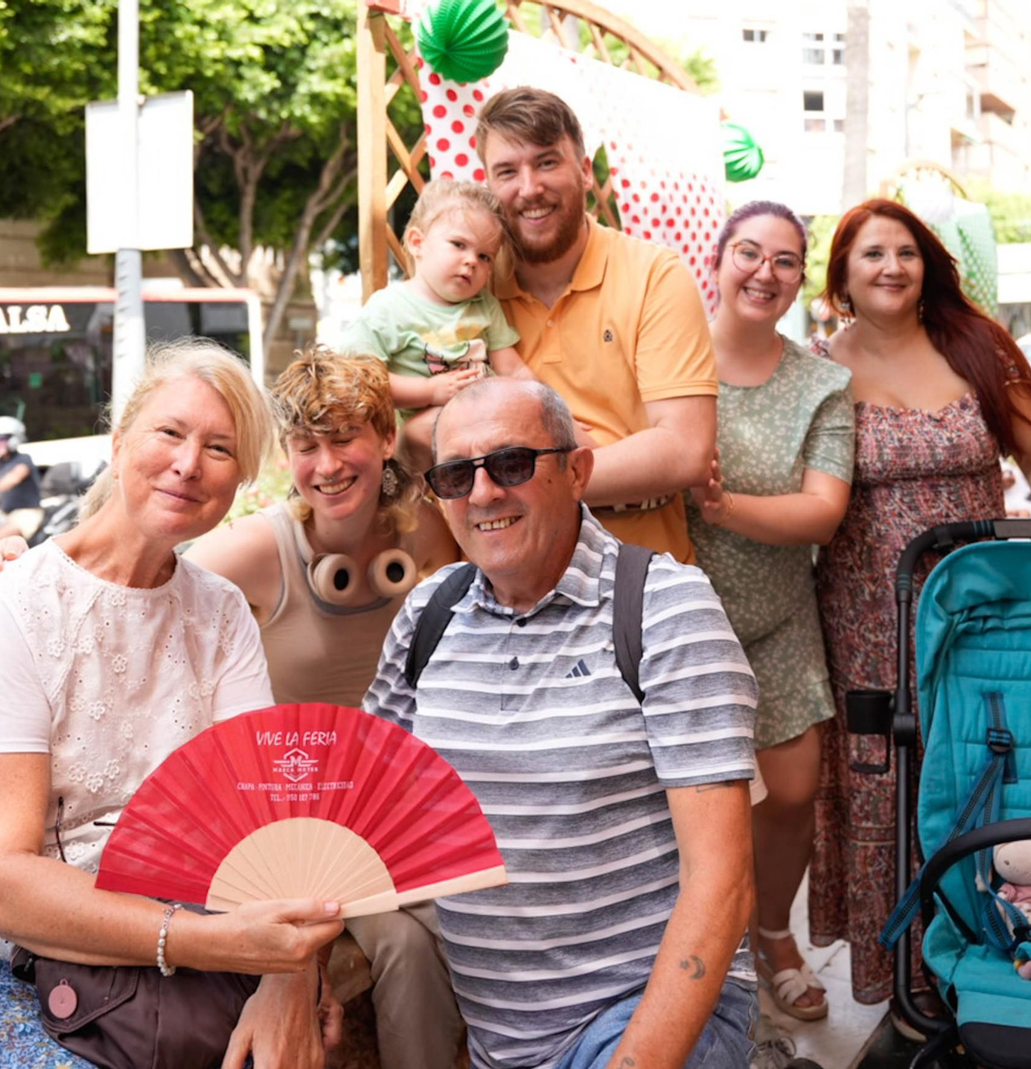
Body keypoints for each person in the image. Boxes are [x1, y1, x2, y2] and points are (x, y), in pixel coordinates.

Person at [0, 341, 345, 1068]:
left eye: (219, 447)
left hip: (100, 953)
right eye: (170, 433)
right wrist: (216, 941)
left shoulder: (222, 614)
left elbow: (267, 817)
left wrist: (289, 976)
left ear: (239, 481)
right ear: (118, 444)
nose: (188, 463)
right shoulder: (16, 605)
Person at [0, 349, 466, 1069]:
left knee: (482, 914)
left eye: (219, 447)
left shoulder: (431, 533)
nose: (327, 465)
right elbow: (121, 579)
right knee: (407, 947)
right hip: (296, 824)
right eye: (305, 446)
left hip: (386, 807)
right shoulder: (244, 558)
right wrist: (3, 563)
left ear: (387, 439)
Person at [366, 376, 759, 1069]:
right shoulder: (428, 616)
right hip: (502, 1043)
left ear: (577, 471)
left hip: (651, 1017)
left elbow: (722, 884)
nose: (483, 492)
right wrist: (285, 981)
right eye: (457, 474)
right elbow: (354, 812)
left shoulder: (663, 609)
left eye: (512, 463)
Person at [808, 199, 1031, 1014]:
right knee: (885, 787)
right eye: (871, 255)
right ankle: (906, 981)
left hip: (979, 607)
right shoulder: (819, 368)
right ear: (843, 278)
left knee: (985, 763)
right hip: (866, 619)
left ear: (927, 264)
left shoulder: (976, 346)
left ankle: (1001, 946)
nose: (891, 266)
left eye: (906, 251)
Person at [684, 201, 853, 1023]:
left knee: (791, 789)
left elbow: (822, 512)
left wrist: (722, 505)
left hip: (778, 615)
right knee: (680, 802)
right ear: (715, 261)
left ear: (799, 281)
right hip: (675, 622)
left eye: (785, 261)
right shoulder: (669, 358)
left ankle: (771, 930)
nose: (765, 272)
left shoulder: (822, 382)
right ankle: (690, 947)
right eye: (748, 253)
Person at [475, 87, 718, 561]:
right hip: (501, 590)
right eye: (507, 171)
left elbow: (686, 449)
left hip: (642, 582)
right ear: (488, 184)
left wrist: (515, 483)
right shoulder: (470, 288)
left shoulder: (654, 276)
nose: (528, 188)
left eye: (547, 162)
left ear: (585, 171)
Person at [338, 179, 532, 472]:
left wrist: (543, 402)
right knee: (432, 425)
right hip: (420, 433)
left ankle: (586, 464)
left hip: (483, 418)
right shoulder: (390, 308)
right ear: (418, 243)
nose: (471, 262)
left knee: (537, 421)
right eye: (458, 245)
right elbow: (360, 380)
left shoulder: (483, 305)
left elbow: (512, 368)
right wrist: (428, 391)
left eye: (484, 256)